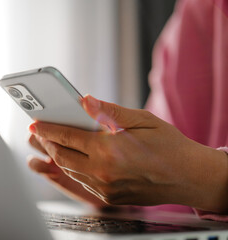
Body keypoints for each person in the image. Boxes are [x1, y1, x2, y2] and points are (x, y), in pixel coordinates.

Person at [27, 0, 228, 221]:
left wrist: (206, 179)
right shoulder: (194, 13)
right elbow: (162, 169)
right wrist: (115, 181)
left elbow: (174, 172)